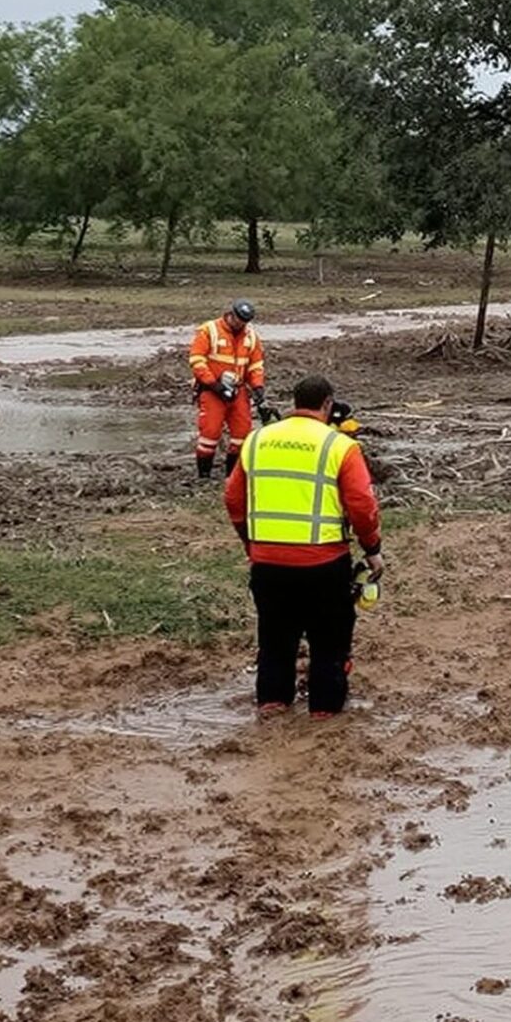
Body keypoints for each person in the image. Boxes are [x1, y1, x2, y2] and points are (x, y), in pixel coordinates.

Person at [223, 374, 383, 718]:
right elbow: (362, 505)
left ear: (295, 403)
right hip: (324, 565)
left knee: (275, 641)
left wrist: (250, 544)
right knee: (329, 643)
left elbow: (233, 499)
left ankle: (272, 706)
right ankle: (324, 715)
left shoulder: (257, 439)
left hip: (267, 564)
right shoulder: (339, 445)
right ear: (327, 404)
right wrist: (372, 548)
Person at [188, 300, 267, 479]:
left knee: (242, 434)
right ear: (230, 314)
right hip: (212, 390)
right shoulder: (209, 330)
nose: (240, 324)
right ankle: (204, 476)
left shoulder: (251, 337)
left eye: (244, 322)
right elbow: (197, 361)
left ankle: (232, 476)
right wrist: (214, 385)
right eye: (238, 320)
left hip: (238, 391)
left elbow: (255, 365)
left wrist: (258, 387)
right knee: (210, 434)